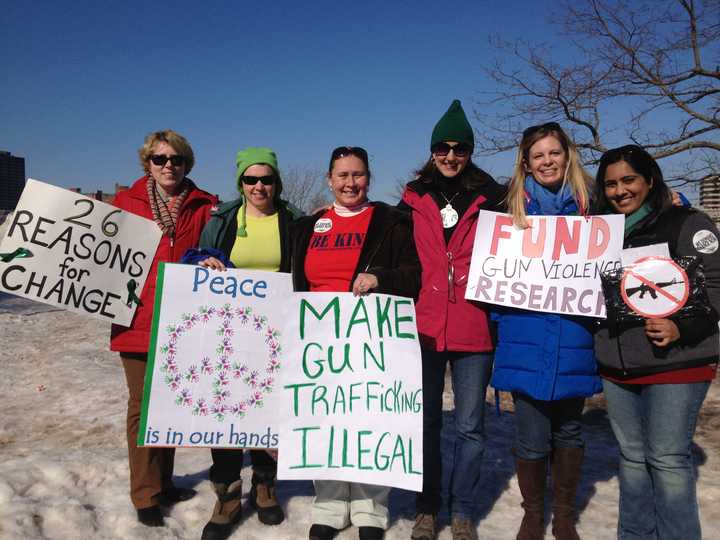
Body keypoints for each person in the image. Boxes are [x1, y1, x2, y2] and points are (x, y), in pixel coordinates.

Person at [291, 146, 420, 540]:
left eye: (358, 175)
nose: (350, 183)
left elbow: (413, 275)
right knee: (326, 420)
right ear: (329, 179)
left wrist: (380, 277)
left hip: (371, 339)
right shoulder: (308, 226)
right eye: (342, 175)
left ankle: (370, 507)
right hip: (318, 339)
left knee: (368, 419)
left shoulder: (392, 222)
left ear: (369, 178)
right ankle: (329, 505)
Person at [593, 145, 719, 540]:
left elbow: (716, 286)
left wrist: (681, 326)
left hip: (677, 364)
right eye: (611, 184)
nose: (620, 191)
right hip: (618, 368)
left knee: (666, 460)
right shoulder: (599, 233)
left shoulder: (687, 222)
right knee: (631, 459)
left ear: (649, 179)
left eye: (629, 180)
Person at [400, 100, 506, 540]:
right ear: (431, 151)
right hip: (422, 326)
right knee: (424, 422)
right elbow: (394, 257)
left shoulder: (494, 197)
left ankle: (462, 509)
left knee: (469, 426)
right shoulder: (412, 198)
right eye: (441, 148)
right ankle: (426, 507)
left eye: (459, 148)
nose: (449, 156)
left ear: (469, 151)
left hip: (473, 326)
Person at [184, 147, 300, 540]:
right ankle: (228, 493)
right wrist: (205, 262)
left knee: (268, 410)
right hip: (228, 333)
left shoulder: (293, 219)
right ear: (241, 182)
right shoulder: (224, 218)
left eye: (266, 178)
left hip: (277, 332)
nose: (259, 186)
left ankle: (265, 486)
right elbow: (194, 260)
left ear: (276, 182)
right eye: (250, 179)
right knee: (226, 411)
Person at [490, 122, 600, 540]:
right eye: (538, 155)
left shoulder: (592, 207)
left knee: (570, 429)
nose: (547, 161)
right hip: (525, 335)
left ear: (567, 155)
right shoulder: (509, 211)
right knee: (532, 434)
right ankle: (533, 513)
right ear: (526, 163)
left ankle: (565, 513)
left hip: (575, 333)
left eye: (554, 153)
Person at [110, 130, 217, 527]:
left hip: (183, 320)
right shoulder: (124, 203)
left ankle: (165, 482)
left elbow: (215, 250)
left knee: (170, 404)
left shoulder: (206, 206)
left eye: (176, 159)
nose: (168, 165)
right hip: (136, 316)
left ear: (187, 163)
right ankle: (145, 494)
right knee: (142, 405)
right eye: (159, 159)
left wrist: (213, 261)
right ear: (147, 163)